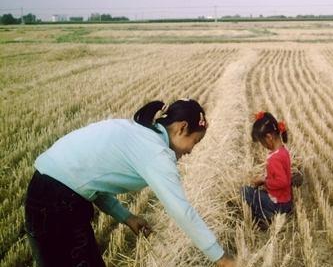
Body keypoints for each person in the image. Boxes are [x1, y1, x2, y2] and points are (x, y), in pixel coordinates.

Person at [24, 99, 235, 267]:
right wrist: (221, 258)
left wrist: (127, 217)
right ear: (182, 128)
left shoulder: (138, 133)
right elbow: (181, 210)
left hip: (46, 191)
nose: (190, 151)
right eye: (194, 142)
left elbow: (91, 182)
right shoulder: (156, 152)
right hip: (56, 204)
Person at [241, 111, 293, 230]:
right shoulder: (283, 151)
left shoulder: (274, 158)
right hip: (285, 200)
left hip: (279, 204)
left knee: (245, 191)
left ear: (269, 137)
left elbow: (282, 182)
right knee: (257, 192)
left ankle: (266, 217)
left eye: (262, 142)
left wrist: (264, 181)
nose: (262, 145)